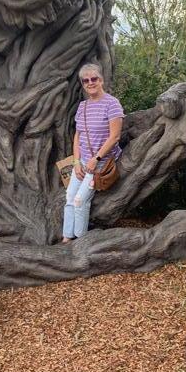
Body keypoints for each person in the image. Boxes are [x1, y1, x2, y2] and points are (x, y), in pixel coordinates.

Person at [62, 63, 124, 243]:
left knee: (80, 200)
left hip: (101, 163)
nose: (90, 83)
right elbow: (78, 135)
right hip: (82, 161)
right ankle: (66, 238)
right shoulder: (83, 106)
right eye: (86, 80)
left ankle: (80, 241)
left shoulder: (112, 104)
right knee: (70, 197)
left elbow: (115, 136)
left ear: (101, 80)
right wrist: (76, 162)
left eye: (94, 79)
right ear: (83, 84)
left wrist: (95, 159)